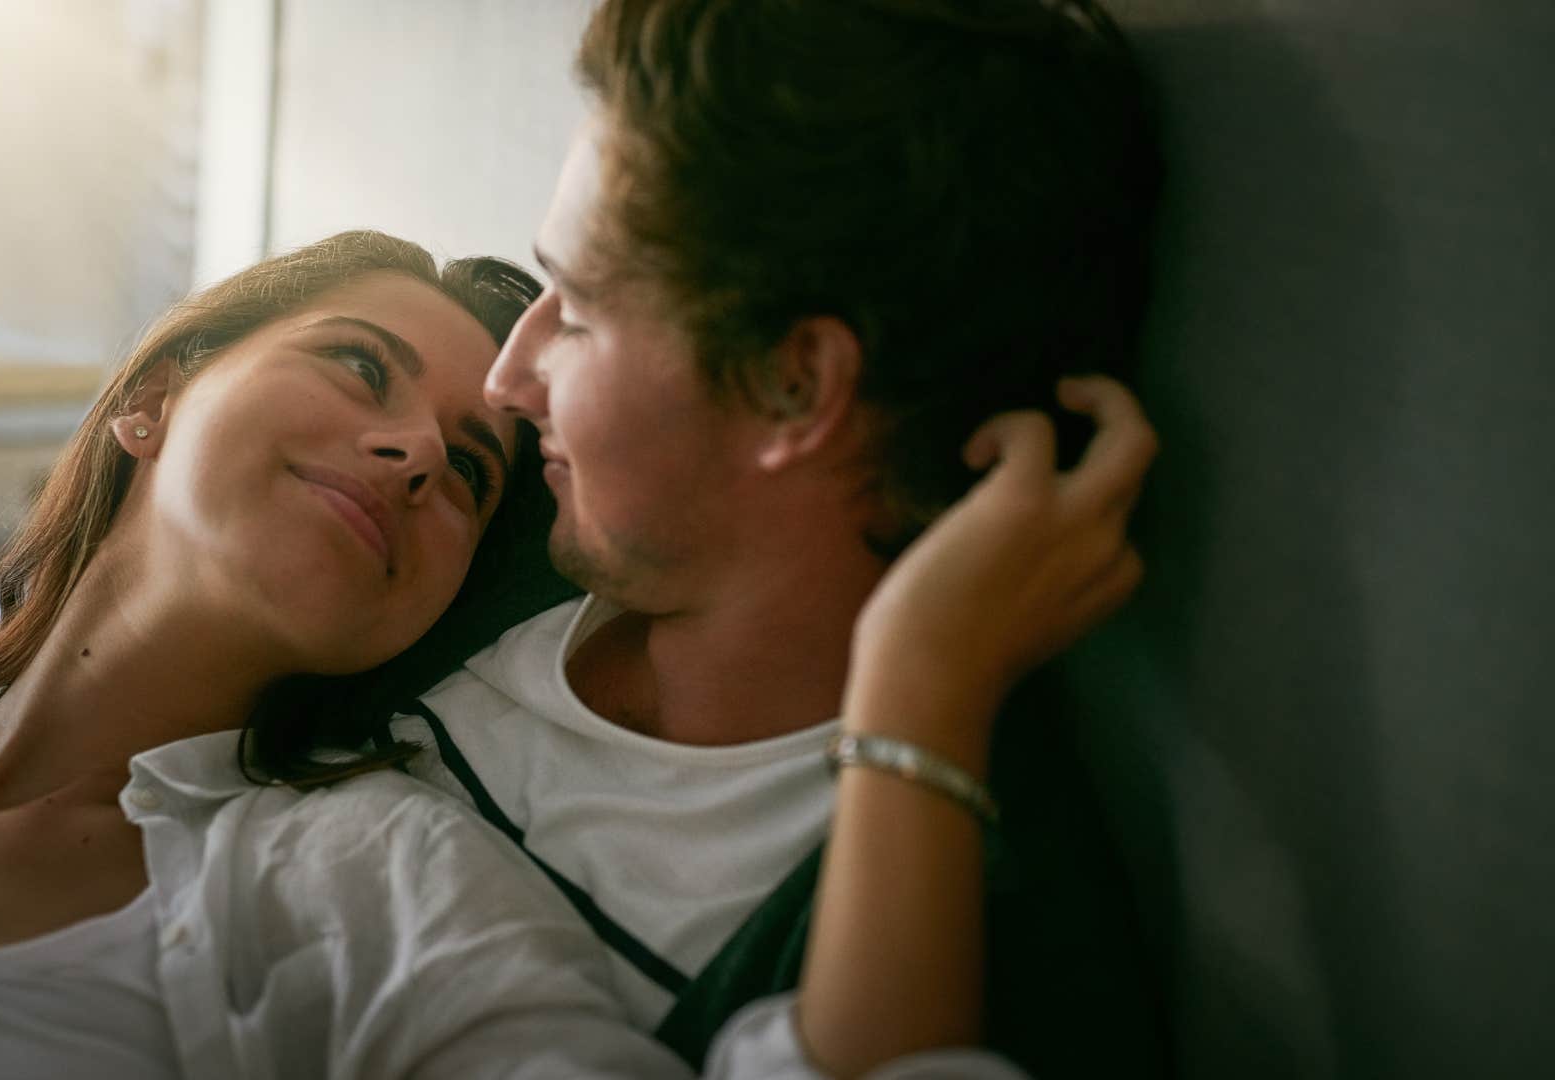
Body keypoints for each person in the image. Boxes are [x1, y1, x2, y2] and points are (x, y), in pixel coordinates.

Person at [0, 225, 1141, 1079]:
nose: (417, 448)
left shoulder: (362, 878)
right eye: (359, 369)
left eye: (475, 471)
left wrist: (919, 686)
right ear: (157, 392)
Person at [388, 0, 1166, 1074]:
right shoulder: (456, 553)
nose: (506, 381)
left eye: (579, 310)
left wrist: (919, 692)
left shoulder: (961, 933)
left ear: (794, 383)